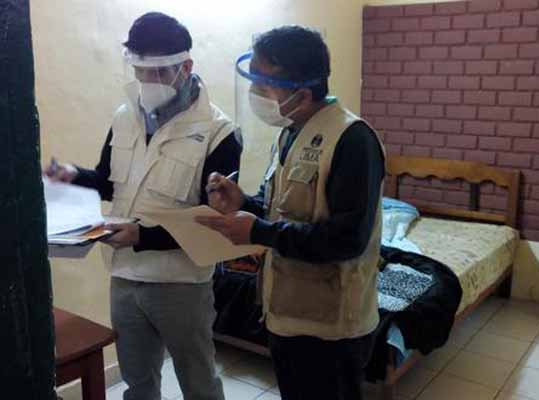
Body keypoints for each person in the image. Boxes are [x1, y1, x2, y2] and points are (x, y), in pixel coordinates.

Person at [45, 12, 240, 400]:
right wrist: (73, 175)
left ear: (186, 67)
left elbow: (212, 221)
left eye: (159, 71)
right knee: (138, 383)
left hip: (181, 283)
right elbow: (107, 180)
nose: (148, 81)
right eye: (140, 70)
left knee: (199, 384)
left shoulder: (219, 132)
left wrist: (141, 236)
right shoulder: (125, 117)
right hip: (124, 277)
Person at [196, 26, 385, 400]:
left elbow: (347, 239)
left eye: (265, 84)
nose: (256, 94)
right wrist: (243, 202)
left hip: (332, 327)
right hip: (285, 314)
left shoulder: (352, 139)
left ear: (303, 92)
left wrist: (258, 233)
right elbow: (280, 211)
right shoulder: (289, 132)